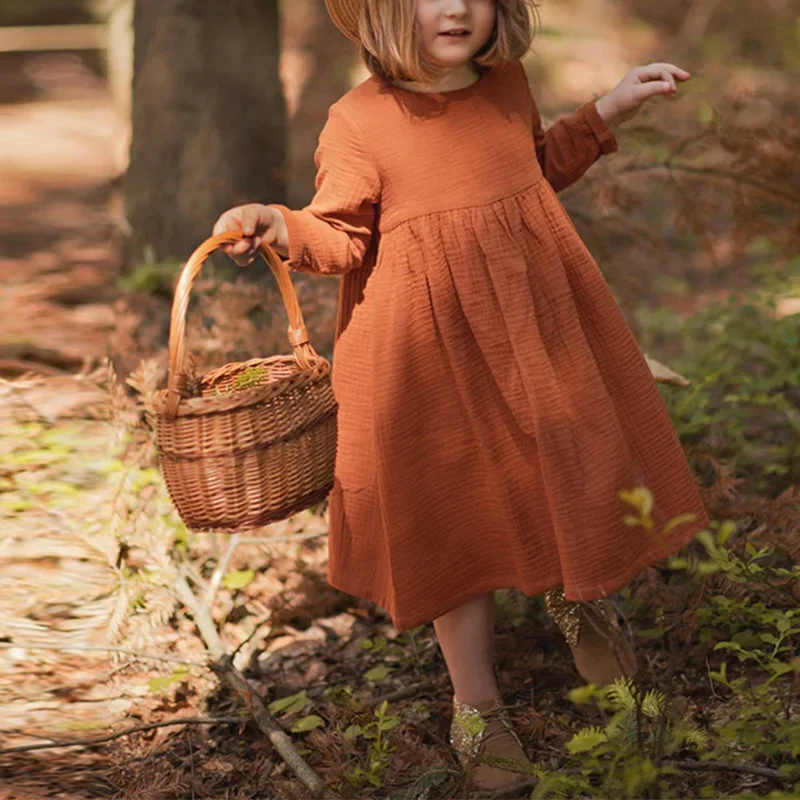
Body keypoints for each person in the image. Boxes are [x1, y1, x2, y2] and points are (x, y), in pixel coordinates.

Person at [213, 0, 709, 789]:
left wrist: (609, 108)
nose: (454, 6)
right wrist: (277, 224)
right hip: (429, 352)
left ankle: (581, 599)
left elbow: (533, 171)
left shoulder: (506, 82)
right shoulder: (358, 119)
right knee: (455, 512)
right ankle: (476, 705)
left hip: (532, 323)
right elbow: (341, 236)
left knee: (567, 461)